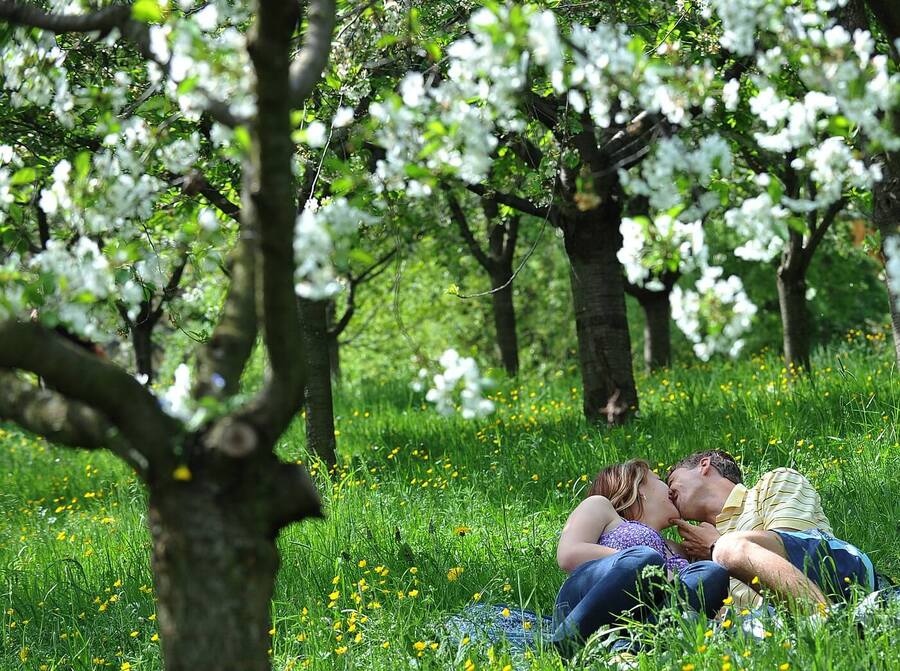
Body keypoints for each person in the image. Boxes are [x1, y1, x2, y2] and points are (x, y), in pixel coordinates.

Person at [552, 459, 729, 654]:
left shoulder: (675, 548)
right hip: (585, 606)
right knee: (646, 559)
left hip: (634, 624)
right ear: (638, 484)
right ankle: (567, 642)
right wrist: (654, 569)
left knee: (712, 573)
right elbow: (568, 554)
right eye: (659, 479)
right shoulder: (602, 508)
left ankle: (630, 651)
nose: (669, 488)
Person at [667, 450, 875, 612]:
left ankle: (831, 623)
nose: (669, 491)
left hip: (835, 583)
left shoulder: (772, 484)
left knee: (727, 549)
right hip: (770, 626)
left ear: (704, 465)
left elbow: (798, 557)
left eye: (672, 481)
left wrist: (715, 546)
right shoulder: (696, 554)